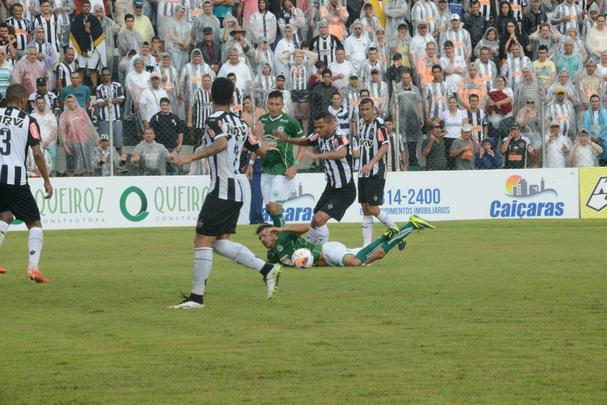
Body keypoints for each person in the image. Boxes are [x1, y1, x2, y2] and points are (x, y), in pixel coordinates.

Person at [169, 77, 280, 309]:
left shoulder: (213, 121)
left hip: (222, 188)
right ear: (232, 98)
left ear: (211, 97)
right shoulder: (241, 123)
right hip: (239, 187)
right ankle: (267, 269)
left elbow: (221, 145)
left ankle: (196, 298)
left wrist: (187, 158)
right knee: (218, 243)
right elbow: (260, 151)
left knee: (202, 239)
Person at [276, 111, 356, 244]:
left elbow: (342, 153)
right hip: (331, 187)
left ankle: (323, 251)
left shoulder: (339, 136)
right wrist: (287, 139)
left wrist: (318, 156)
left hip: (345, 190)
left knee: (319, 219)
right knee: (315, 219)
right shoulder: (319, 136)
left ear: (331, 123)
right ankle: (310, 247)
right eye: (316, 127)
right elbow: (305, 141)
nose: (318, 130)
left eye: (321, 127)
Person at [0, 84, 53, 282]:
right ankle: (33, 268)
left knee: (5, 214)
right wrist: (47, 180)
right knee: (35, 223)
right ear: (22, 101)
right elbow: (37, 153)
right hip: (15, 179)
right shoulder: (28, 120)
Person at [257, 216, 434, 268]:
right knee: (373, 253)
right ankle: (386, 236)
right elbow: (270, 268)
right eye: (260, 238)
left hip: (328, 251)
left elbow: (305, 227)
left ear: (273, 233)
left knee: (357, 262)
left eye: (265, 234)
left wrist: (282, 228)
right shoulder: (272, 254)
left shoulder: (284, 236)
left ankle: (410, 226)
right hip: (329, 264)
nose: (263, 239)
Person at [250, 90, 305, 227]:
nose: (273, 107)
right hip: (266, 170)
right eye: (271, 104)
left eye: (277, 104)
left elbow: (303, 143)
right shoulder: (262, 121)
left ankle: (283, 239)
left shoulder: (290, 122)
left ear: (282, 105)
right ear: (267, 104)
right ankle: (286, 233)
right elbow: (256, 143)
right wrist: (251, 163)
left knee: (274, 208)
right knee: (270, 209)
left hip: (283, 171)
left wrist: (295, 165)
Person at [354, 98, 398, 245]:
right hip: (362, 171)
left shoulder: (379, 124)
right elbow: (362, 147)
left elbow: (384, 146)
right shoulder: (360, 124)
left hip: (376, 171)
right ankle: (366, 246)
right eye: (362, 109)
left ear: (373, 109)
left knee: (372, 208)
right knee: (365, 208)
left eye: (367, 109)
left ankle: (394, 229)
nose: (364, 112)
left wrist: (371, 163)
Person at [59, 95, 99, 176]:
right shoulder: (63, 115)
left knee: (86, 163)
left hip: (84, 140)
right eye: (68, 102)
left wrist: (95, 139)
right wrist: (65, 146)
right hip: (71, 142)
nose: (70, 103)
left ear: (75, 102)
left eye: (72, 101)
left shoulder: (82, 112)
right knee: (71, 165)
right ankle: (71, 178)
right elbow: (62, 131)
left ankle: (87, 177)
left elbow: (89, 126)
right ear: (66, 103)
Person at [69, 0, 104, 89]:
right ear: (81, 8)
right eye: (85, 6)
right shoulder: (77, 19)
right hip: (80, 49)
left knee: (93, 69)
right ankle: (79, 87)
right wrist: (83, 29)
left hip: (93, 48)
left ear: (90, 8)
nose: (86, 8)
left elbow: (99, 33)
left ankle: (95, 88)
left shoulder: (94, 19)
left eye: (88, 6)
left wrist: (90, 31)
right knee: (80, 69)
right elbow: (74, 32)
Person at [149, 98, 185, 174]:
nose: (165, 107)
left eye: (166, 105)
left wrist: (179, 145)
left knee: (174, 169)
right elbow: (151, 132)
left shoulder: (175, 118)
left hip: (173, 148)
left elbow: (180, 132)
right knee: (161, 170)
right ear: (160, 106)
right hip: (159, 149)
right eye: (163, 105)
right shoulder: (155, 118)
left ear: (169, 106)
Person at [95, 67, 125, 156]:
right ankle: (104, 163)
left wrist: (108, 100)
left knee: (119, 144)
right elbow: (100, 103)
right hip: (104, 119)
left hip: (117, 119)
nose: (106, 77)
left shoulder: (117, 85)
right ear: (101, 76)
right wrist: (113, 100)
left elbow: (122, 99)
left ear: (111, 75)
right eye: (104, 75)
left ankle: (121, 164)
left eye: (108, 74)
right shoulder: (99, 88)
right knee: (104, 144)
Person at [30, 95, 58, 176]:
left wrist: (47, 142)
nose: (40, 104)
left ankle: (53, 178)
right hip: (37, 144)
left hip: (50, 143)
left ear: (45, 104)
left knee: (52, 163)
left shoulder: (51, 115)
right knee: (37, 164)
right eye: (38, 103)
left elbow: (55, 130)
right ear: (35, 104)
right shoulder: (32, 116)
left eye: (42, 103)